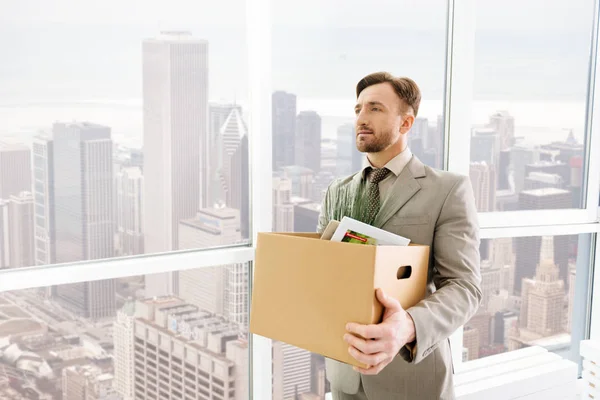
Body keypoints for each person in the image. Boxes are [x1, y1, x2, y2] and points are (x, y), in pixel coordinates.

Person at [317, 72, 482, 400]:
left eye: (375, 108)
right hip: (345, 376)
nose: (362, 118)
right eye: (358, 109)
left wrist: (406, 325)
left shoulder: (448, 189)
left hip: (413, 379)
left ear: (406, 124)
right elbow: (323, 272)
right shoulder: (336, 191)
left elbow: (465, 287)